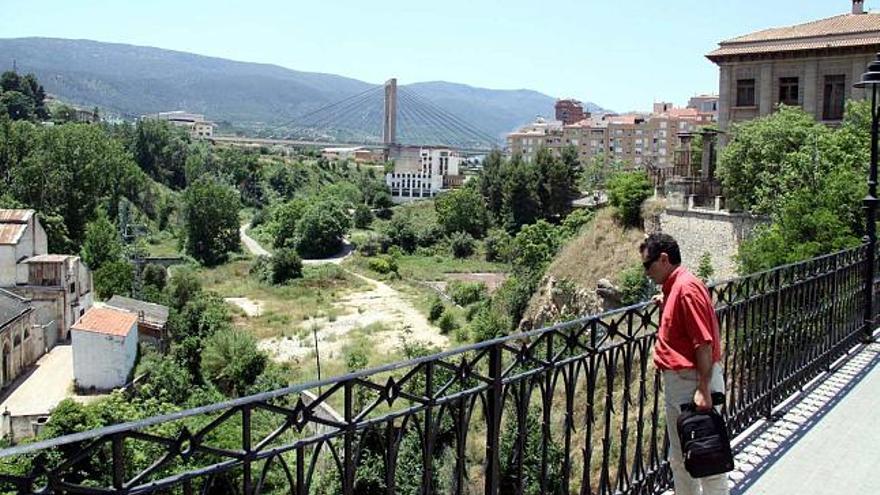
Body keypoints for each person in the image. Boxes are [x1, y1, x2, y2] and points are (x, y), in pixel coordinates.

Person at [639, 233, 729, 495]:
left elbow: (703, 342)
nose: (646, 272)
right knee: (681, 458)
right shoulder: (677, 288)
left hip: (692, 382)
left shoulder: (686, 288)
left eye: (648, 265)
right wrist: (666, 302)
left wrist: (702, 388)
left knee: (707, 457)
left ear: (664, 259)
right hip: (684, 382)